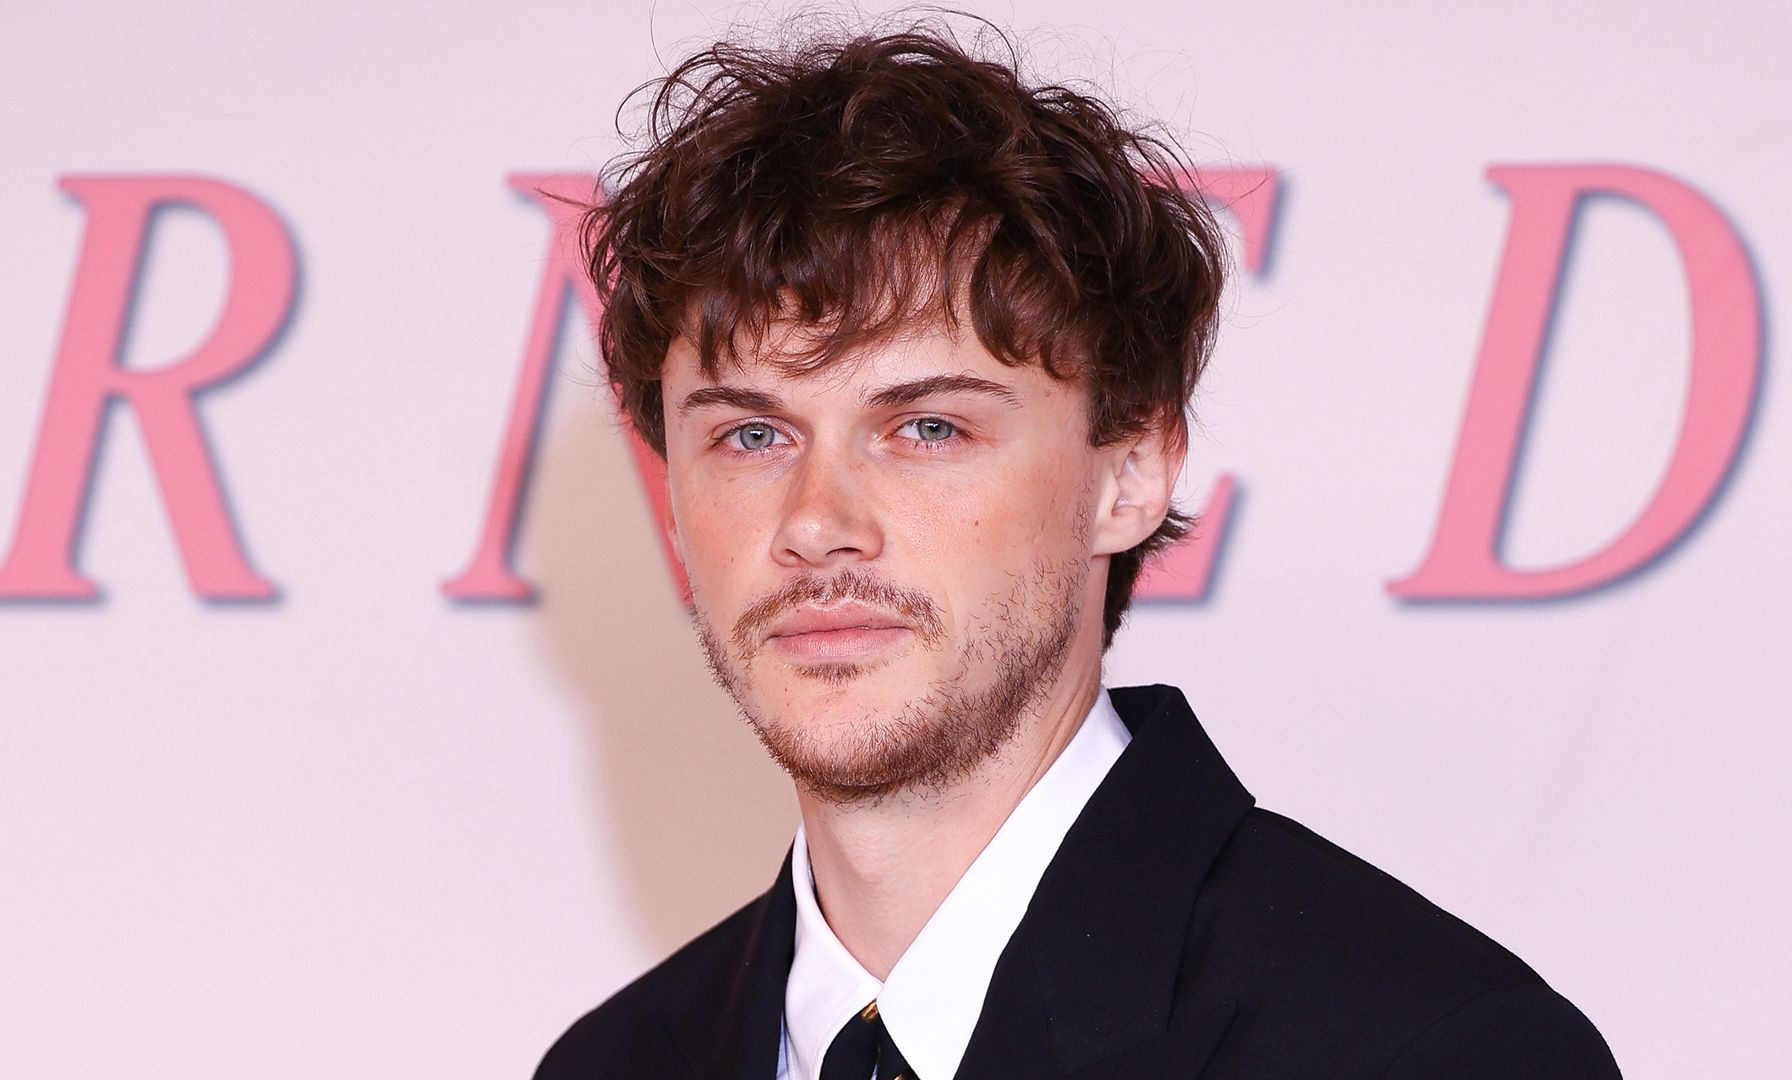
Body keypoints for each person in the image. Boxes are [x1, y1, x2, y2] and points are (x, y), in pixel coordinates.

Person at [535, 18, 1619, 1080]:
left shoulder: (1428, 1050)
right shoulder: (609, 1064)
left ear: (1130, 471)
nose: (817, 521)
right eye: (753, 435)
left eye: (927, 428)